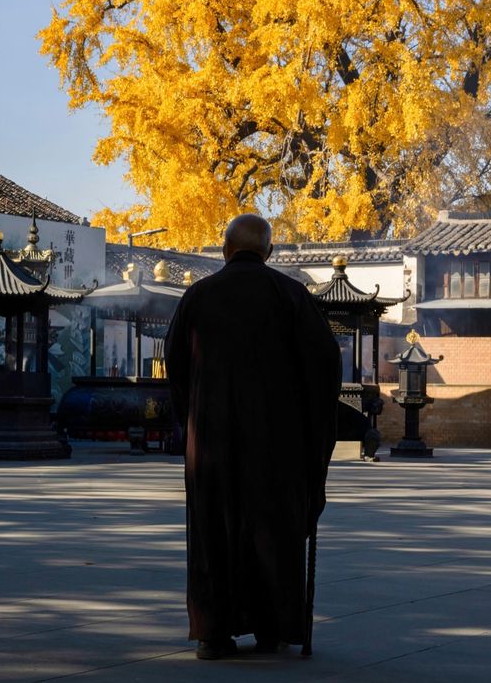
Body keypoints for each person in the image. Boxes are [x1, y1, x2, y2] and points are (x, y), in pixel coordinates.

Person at [165, 213, 341, 660]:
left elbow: (176, 368)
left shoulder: (198, 296)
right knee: (272, 530)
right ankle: (273, 627)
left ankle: (213, 634)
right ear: (270, 252)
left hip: (211, 440)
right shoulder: (290, 295)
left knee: (214, 531)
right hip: (277, 443)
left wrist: (195, 418)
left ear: (225, 250)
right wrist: (310, 432)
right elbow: (324, 372)